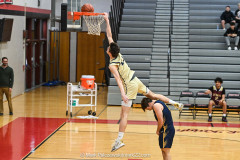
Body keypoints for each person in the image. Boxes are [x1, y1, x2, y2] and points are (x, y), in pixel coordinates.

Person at [103, 13, 183, 152]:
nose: (107, 46)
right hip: (136, 79)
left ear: (109, 51)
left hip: (129, 86)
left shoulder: (112, 64)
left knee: (124, 115)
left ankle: (119, 140)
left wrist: (123, 94)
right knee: (153, 96)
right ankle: (175, 103)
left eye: (108, 47)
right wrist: (107, 20)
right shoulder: (117, 52)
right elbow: (109, 36)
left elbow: (118, 80)